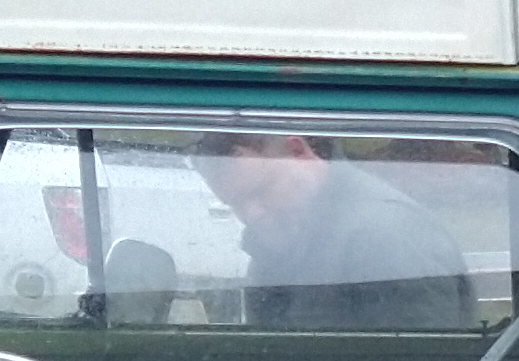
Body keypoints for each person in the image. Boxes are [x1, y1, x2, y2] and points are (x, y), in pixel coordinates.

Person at [190, 135, 476, 332]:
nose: (252, 214)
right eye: (236, 203)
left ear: (298, 152)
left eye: (261, 191)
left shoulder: (386, 236)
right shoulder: (280, 242)